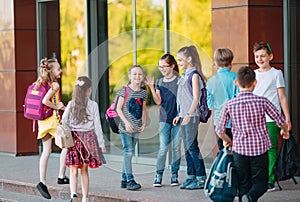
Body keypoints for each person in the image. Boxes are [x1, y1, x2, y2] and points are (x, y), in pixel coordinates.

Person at [216, 66, 290, 202]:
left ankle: (246, 197)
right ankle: (250, 198)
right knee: (260, 184)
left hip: (239, 151)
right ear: (255, 83)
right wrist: (285, 131)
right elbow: (280, 120)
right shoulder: (262, 101)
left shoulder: (229, 104)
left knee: (244, 184)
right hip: (259, 150)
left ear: (236, 83)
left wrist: (228, 140)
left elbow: (220, 130)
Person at [252, 41, 292, 192]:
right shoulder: (253, 74)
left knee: (270, 149)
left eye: (263, 56)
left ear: (270, 56)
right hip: (255, 119)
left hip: (272, 119)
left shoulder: (276, 73)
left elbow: (282, 97)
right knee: (256, 150)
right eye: (257, 56)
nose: (260, 59)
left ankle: (269, 180)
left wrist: (287, 119)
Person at [62, 76, 106, 202]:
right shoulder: (93, 105)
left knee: (73, 170)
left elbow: (64, 121)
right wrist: (101, 144)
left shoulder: (71, 104)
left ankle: (73, 195)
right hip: (88, 139)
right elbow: (97, 126)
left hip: (75, 140)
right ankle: (85, 198)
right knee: (84, 171)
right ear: (88, 90)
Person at [173, 45, 207, 190]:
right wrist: (179, 115)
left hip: (192, 116)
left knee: (192, 147)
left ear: (189, 59)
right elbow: (182, 98)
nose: (179, 63)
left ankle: (201, 178)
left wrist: (187, 115)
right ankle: (190, 176)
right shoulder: (184, 75)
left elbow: (196, 98)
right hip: (184, 116)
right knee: (187, 147)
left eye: (180, 60)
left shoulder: (194, 76)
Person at [35, 58, 69, 199]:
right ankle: (61, 175)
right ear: (51, 71)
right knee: (67, 145)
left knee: (46, 151)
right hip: (52, 121)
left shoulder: (39, 83)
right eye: (58, 69)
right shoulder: (54, 85)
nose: (60, 71)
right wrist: (59, 106)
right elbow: (45, 101)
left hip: (42, 122)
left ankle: (42, 182)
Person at [147, 53, 181, 187]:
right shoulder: (159, 82)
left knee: (176, 148)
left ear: (172, 66)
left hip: (177, 118)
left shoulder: (179, 80)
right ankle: (158, 175)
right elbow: (158, 101)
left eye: (165, 66)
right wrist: (151, 87)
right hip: (164, 119)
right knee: (163, 148)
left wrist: (180, 115)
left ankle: (174, 175)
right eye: (160, 67)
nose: (162, 69)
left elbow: (182, 100)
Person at [116, 64, 148, 191]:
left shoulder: (143, 92)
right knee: (128, 151)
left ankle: (123, 180)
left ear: (143, 76)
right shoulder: (124, 90)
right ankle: (130, 180)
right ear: (129, 76)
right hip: (125, 127)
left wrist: (144, 123)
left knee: (129, 153)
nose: (137, 76)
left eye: (140, 74)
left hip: (137, 127)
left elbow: (143, 110)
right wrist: (126, 123)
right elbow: (118, 108)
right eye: (134, 74)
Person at [206, 48, 238, 151]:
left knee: (222, 151)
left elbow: (210, 105)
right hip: (235, 121)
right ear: (231, 62)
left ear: (215, 63)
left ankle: (223, 167)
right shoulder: (237, 77)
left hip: (218, 122)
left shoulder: (210, 81)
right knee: (237, 152)